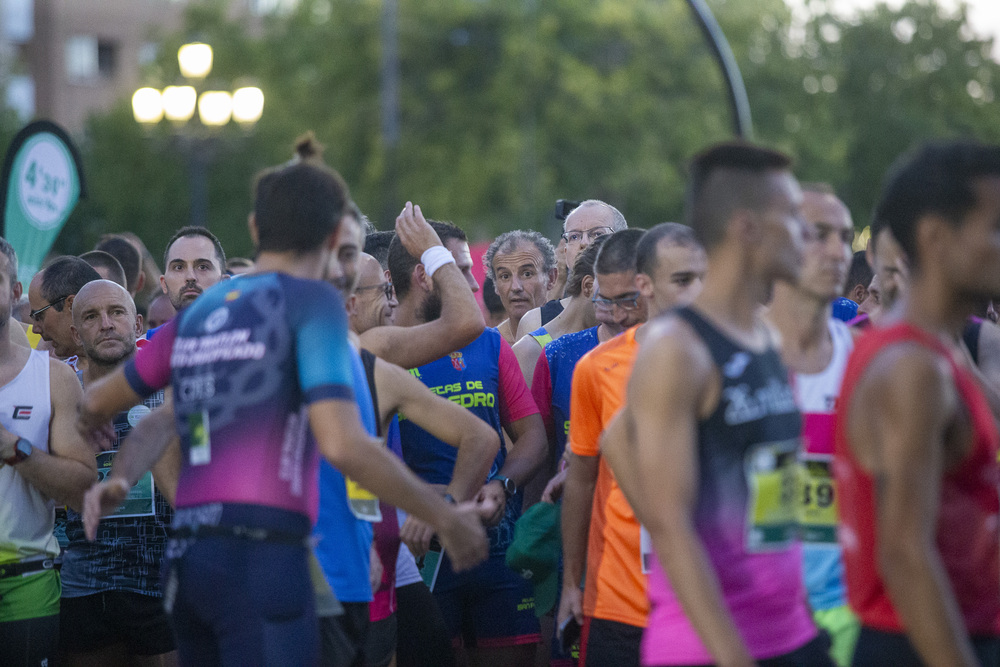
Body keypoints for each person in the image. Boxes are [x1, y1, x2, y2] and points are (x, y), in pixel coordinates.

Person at [76, 164, 489, 665]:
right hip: (283, 568)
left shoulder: (205, 312)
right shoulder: (311, 307)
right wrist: (443, 514)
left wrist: (114, 464)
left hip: (196, 565)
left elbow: (112, 406)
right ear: (332, 236)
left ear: (255, 228)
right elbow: (343, 444)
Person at [610, 142, 828, 666]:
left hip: (791, 632)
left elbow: (619, 433)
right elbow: (669, 518)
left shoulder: (766, 336)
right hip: (710, 649)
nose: (807, 235)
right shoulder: (677, 348)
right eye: (793, 218)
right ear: (747, 227)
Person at [835, 141, 1000, 666]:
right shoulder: (913, 368)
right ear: (934, 237)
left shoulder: (930, 352)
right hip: (922, 645)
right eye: (994, 227)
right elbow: (904, 552)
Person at [387, 218, 548, 667]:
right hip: (421, 549)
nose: (475, 281)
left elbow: (532, 437)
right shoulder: (381, 350)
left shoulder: (489, 345)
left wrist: (503, 486)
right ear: (426, 275)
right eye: (460, 269)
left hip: (494, 545)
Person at [557, 224, 705, 667]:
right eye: (606, 301)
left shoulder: (727, 359)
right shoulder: (594, 369)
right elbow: (581, 482)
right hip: (617, 601)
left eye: (626, 301)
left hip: (705, 593)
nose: (616, 314)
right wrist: (571, 583)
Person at [58, 279, 178, 666]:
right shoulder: (61, 398)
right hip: (81, 586)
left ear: (139, 324)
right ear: (76, 334)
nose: (106, 324)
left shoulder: (171, 393)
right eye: (91, 317)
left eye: (117, 312)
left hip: (159, 584)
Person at [765, 186, 858, 666]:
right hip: (751, 620)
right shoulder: (726, 358)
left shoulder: (867, 361)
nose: (837, 251)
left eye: (843, 236)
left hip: (844, 616)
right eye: (818, 235)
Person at [0, 238, 97, 667]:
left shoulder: (53, 377)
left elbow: (81, 488)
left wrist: (16, 449)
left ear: (16, 291)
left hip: (27, 584)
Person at [358, 211, 484, 369]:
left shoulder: (360, 352)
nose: (392, 299)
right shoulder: (369, 347)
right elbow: (468, 322)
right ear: (349, 302)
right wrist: (433, 250)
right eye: (383, 290)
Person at [516, 200, 627, 338]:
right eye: (574, 236)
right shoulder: (535, 322)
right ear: (565, 251)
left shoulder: (638, 315)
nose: (584, 243)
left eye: (597, 234)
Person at [511, 240, 602, 388]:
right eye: (616, 298)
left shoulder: (613, 339)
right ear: (588, 286)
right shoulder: (530, 350)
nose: (623, 313)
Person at [27, 256, 102, 369]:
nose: (35, 329)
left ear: (72, 304)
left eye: (38, 316)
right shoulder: (56, 378)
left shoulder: (137, 363)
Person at [482, 230, 557, 344]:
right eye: (505, 276)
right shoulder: (488, 347)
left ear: (551, 278)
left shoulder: (570, 337)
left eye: (527, 274)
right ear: (495, 285)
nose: (516, 287)